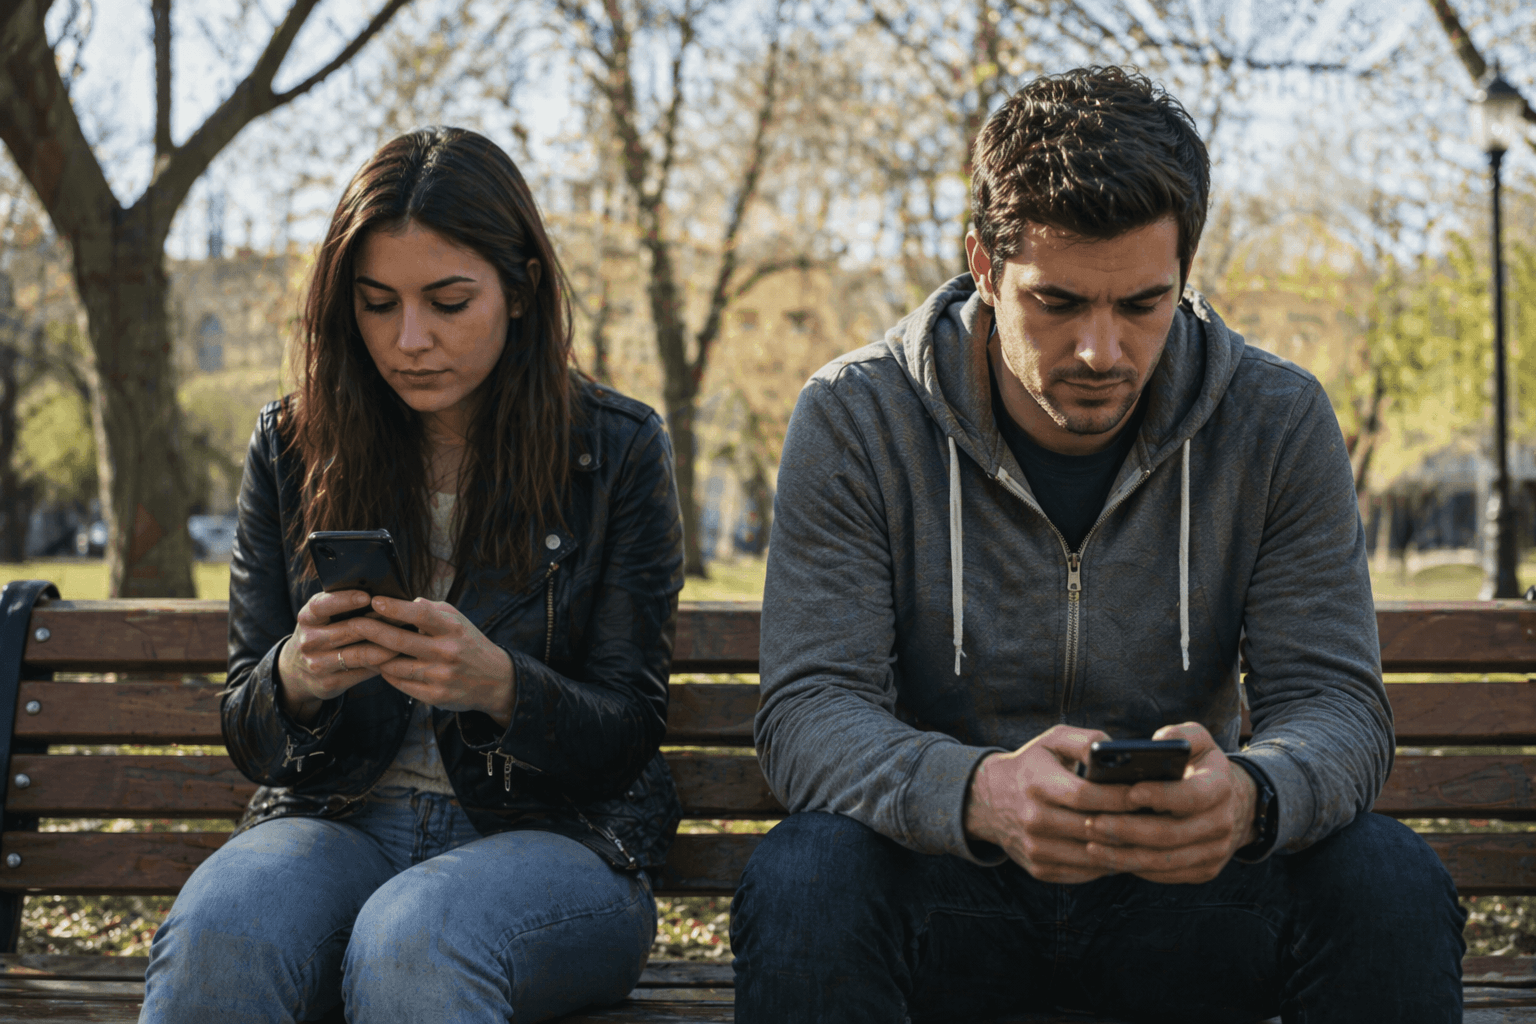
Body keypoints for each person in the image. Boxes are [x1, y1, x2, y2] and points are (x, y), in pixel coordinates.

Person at [732, 67, 1466, 1023]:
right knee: (807, 876)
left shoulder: (1276, 420)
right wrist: (978, 795)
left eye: (1141, 305)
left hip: (1186, 902)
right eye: (1058, 302)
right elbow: (808, 711)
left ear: (1184, 278)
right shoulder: (857, 416)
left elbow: (1338, 706)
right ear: (985, 269)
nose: (1101, 352)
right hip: (949, 888)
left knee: (1387, 876)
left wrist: (1252, 795)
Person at [139, 127, 685, 1024]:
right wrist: (295, 679)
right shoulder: (292, 443)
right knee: (220, 935)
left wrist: (504, 688)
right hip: (335, 824)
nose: (410, 339)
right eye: (377, 303)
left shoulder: (616, 449)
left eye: (448, 301)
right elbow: (248, 728)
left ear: (522, 288)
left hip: (555, 844)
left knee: (416, 937)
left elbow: (627, 731)